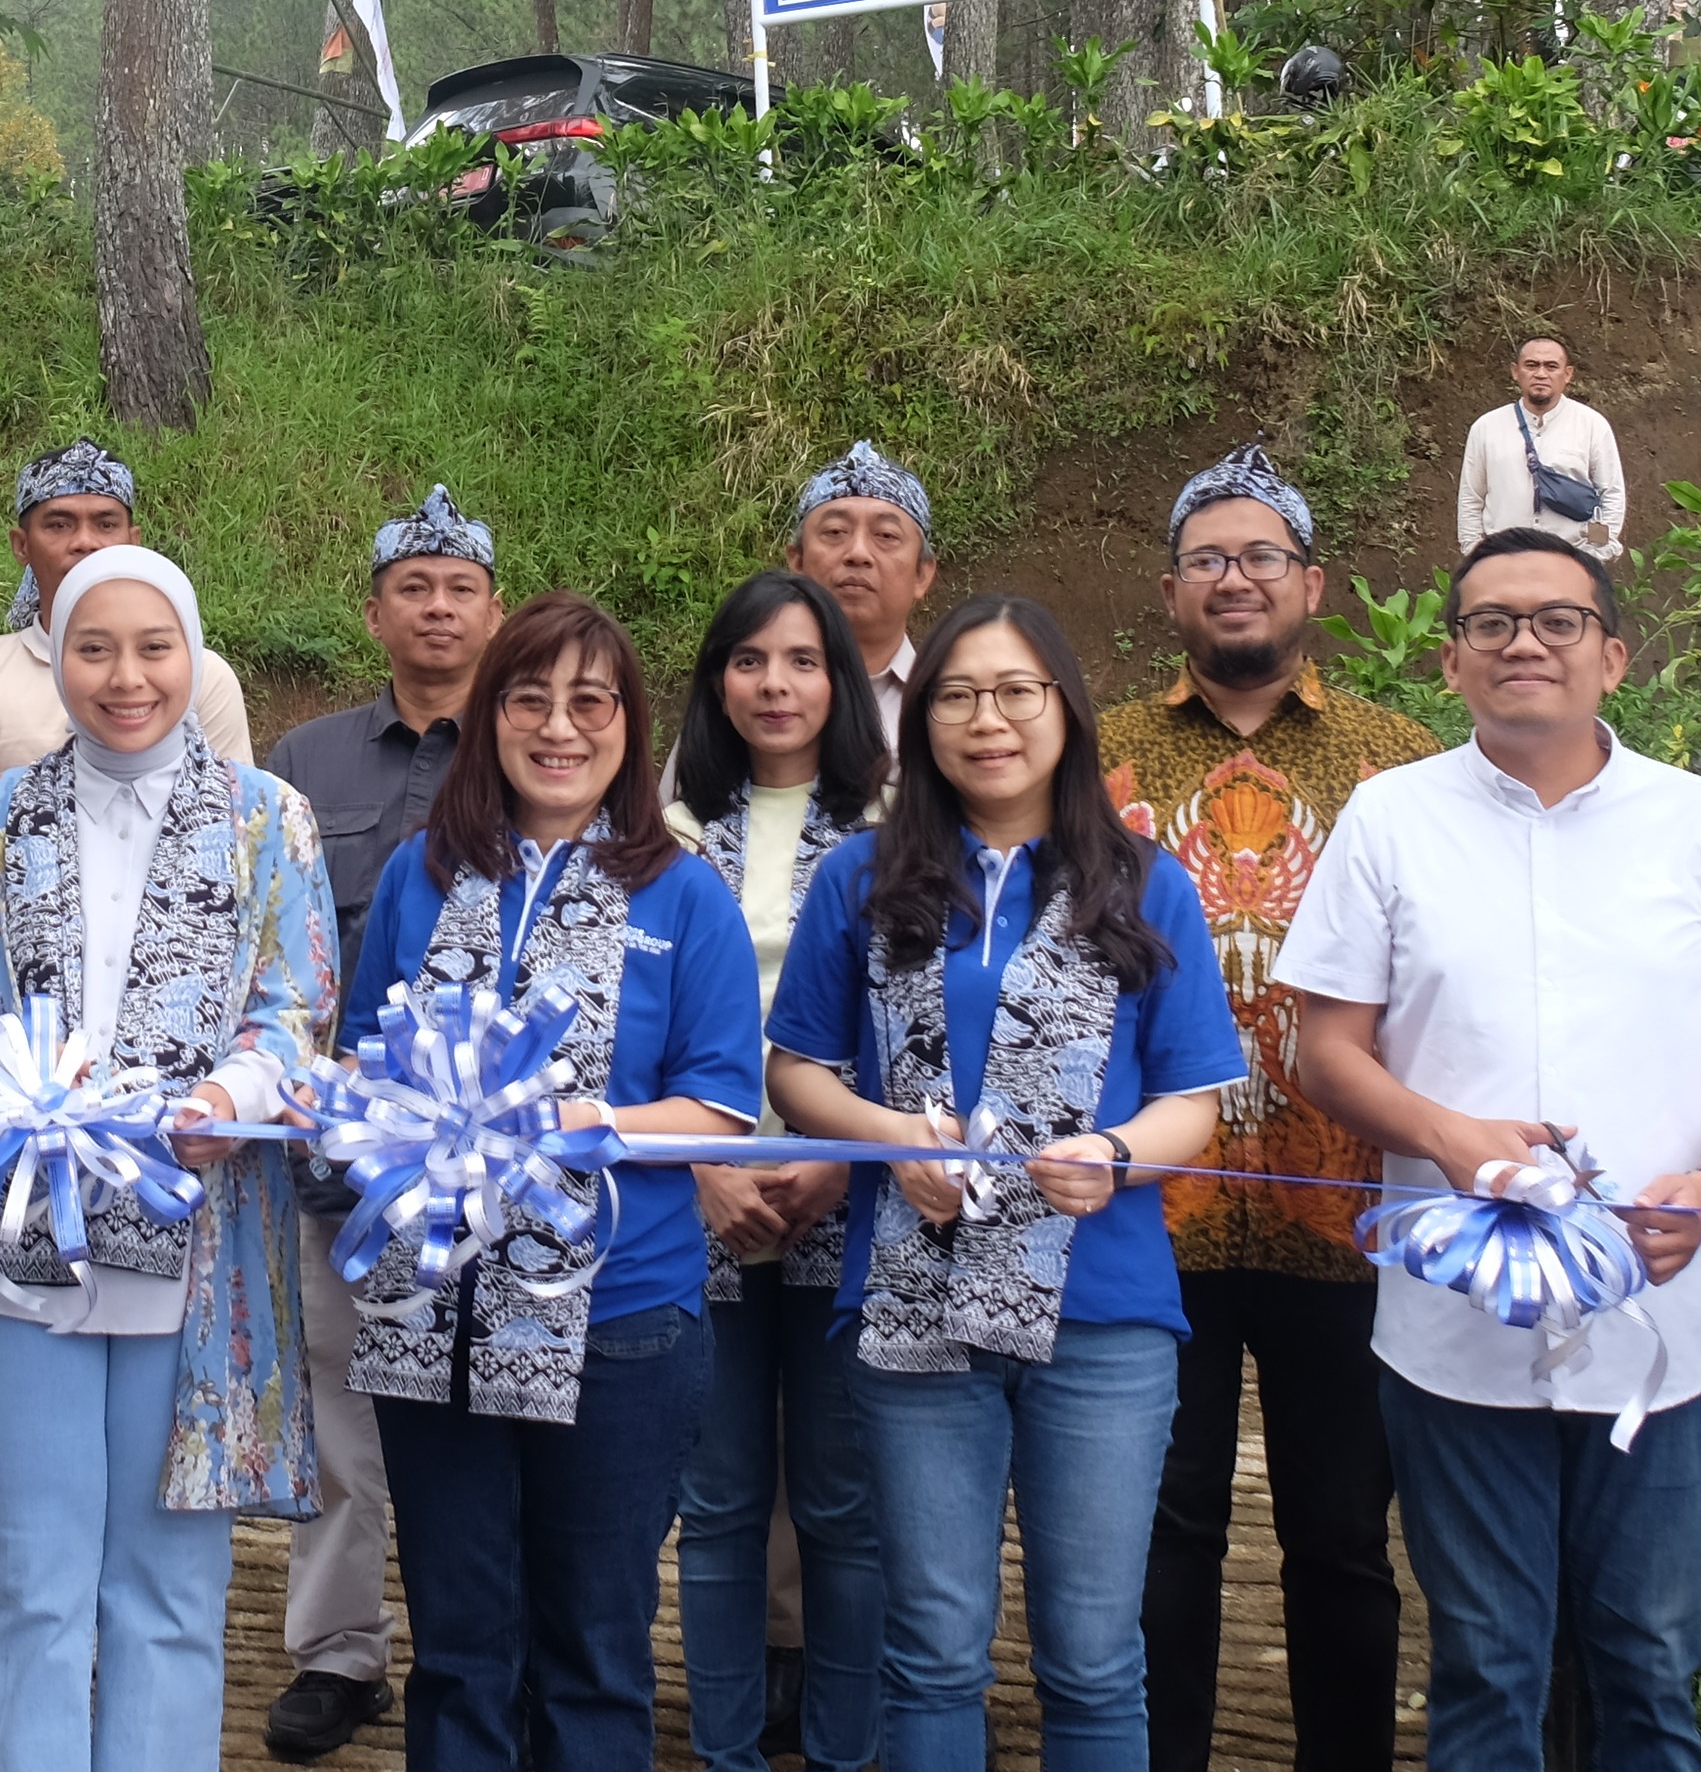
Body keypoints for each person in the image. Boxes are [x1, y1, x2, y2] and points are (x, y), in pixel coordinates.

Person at [1275, 530, 1701, 1772]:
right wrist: (1447, 1138)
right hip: (1453, 1328)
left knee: (1644, 1659)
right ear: (1452, 659)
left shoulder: (1699, 825)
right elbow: (1326, 1052)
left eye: (1556, 620)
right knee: (1484, 1659)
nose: (1522, 641)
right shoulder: (1389, 818)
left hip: (1660, 1321)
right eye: (1491, 622)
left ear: (1612, 655)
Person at [0, 543, 338, 1771]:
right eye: (94, 647)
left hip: (199, 1239)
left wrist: (230, 1091)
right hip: (25, 1233)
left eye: (153, 648)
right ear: (56, 658)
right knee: (28, 1572)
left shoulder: (264, 820)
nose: (124, 676)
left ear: (192, 658)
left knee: (170, 1578)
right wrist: (16, 1083)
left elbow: (296, 1004)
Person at [769, 596, 1244, 1772]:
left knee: (1090, 1652)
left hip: (1104, 1312)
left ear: (1064, 711)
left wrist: (1117, 1156)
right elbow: (796, 1068)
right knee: (931, 1645)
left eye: (1015, 691)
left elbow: (1194, 1097)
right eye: (957, 695)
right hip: (913, 1300)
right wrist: (892, 1136)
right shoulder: (860, 878)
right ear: (921, 720)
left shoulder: (1142, 879)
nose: (988, 719)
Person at [341, 593, 765, 1769]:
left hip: (619, 1321)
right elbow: (359, 1065)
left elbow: (720, 1103)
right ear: (489, 717)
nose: (559, 726)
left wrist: (581, 1119)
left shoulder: (683, 894)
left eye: (591, 701)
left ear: (631, 724)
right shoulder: (423, 878)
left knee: (593, 1650)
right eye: (528, 698)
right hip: (432, 1312)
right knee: (462, 1647)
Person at [1100, 446, 1440, 1772]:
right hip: (1150, 1214)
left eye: (1258, 558)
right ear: (1171, 593)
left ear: (1313, 585)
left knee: (1345, 1536)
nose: (1231, 579)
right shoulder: (1100, 754)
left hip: (1347, 1210)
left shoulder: (1398, 766)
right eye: (1205, 559)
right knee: (1162, 1524)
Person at [253, 482, 505, 1761]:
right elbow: (274, 943)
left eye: (460, 586)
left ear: (494, 609)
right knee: (337, 1419)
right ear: (374, 610)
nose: (437, 606)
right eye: (414, 585)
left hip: (501, 1161)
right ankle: (338, 1654)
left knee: (488, 1416)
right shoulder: (302, 761)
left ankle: (484, 1652)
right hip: (341, 1158)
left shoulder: (531, 748)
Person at [661, 569, 893, 1772]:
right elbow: (624, 1021)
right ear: (715, 683)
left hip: (849, 1193)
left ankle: (849, 1750)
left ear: (837, 679)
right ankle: (727, 1751)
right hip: (695, 1193)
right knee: (718, 1508)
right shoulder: (656, 827)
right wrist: (706, 1160)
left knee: (846, 1509)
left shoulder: (898, 827)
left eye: (801, 660)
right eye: (747, 660)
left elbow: (921, 1024)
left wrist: (846, 1163)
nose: (774, 684)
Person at [0, 439, 257, 811]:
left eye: (105, 523)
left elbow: (239, 819)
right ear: (21, 545)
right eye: (60, 524)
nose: (84, 542)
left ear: (134, 541)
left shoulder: (200, 674)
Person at [789, 441, 943, 746]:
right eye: (835, 532)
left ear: (922, 574)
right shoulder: (748, 698)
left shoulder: (947, 709)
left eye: (886, 536)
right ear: (798, 563)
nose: (858, 553)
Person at [1453, 338, 1628, 558]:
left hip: (1569, 560)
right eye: (1532, 365)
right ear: (1516, 371)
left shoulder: (1591, 425)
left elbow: (1609, 494)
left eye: (1551, 366)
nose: (1541, 374)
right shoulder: (1486, 427)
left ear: (1568, 374)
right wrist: (1476, 554)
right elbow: (1471, 496)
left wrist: (1594, 555)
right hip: (1504, 559)